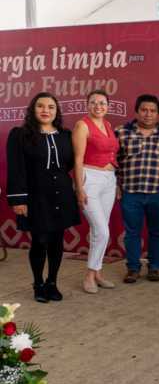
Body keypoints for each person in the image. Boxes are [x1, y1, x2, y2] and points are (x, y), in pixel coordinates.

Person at [5, 92, 80, 303]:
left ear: (57, 111)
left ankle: (52, 283)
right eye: (41, 106)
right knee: (39, 241)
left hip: (62, 195)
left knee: (57, 241)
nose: (46, 110)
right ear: (32, 109)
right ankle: (38, 284)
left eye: (51, 107)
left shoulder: (65, 135)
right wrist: (18, 199)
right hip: (36, 197)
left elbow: (70, 164)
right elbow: (16, 169)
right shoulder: (20, 135)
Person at [115, 95, 159, 284]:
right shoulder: (121, 132)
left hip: (158, 194)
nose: (148, 114)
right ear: (136, 111)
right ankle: (133, 268)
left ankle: (154, 267)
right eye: (144, 110)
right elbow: (112, 160)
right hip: (131, 194)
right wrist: (115, 185)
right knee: (132, 233)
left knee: (157, 232)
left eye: (152, 111)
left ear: (158, 114)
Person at [72, 89, 119, 294]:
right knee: (102, 231)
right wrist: (79, 188)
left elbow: (111, 153)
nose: (98, 106)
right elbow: (78, 159)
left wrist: (115, 182)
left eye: (102, 103)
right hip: (89, 178)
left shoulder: (107, 125)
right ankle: (90, 276)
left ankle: (98, 273)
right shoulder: (82, 125)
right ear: (87, 104)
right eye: (93, 102)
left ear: (108, 106)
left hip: (109, 179)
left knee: (98, 231)